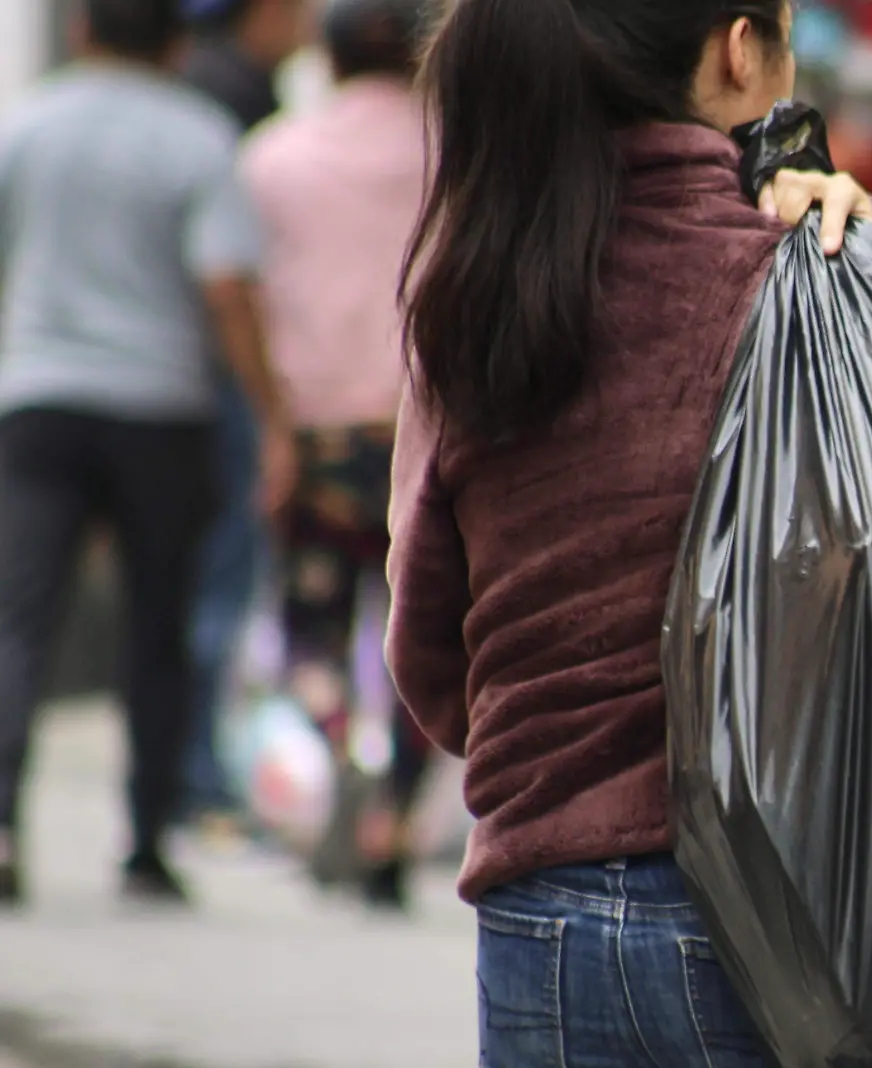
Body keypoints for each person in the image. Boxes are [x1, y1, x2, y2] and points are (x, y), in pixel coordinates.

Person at [387, 0, 872, 1063]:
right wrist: (862, 232)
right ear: (739, 53)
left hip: (536, 903)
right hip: (787, 916)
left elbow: (428, 644)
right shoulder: (821, 265)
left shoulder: (470, 288)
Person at [0, 0, 296, 906]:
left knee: (19, 619)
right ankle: (147, 842)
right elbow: (226, 287)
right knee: (157, 623)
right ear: (174, 42)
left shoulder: (24, 124)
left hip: (39, 398)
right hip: (161, 408)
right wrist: (270, 412)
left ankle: (3, 825)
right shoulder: (200, 138)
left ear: (84, 32)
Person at [239, 0, 433, 909]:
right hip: (425, 435)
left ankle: (334, 738)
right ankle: (390, 810)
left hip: (313, 434)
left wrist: (268, 425)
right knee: (425, 635)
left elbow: (240, 289)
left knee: (312, 627)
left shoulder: (273, 156)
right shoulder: (458, 151)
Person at [177, 0, 308, 828]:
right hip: (222, 376)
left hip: (185, 377)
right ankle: (201, 776)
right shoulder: (232, 108)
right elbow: (230, 279)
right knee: (223, 580)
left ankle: (193, 774)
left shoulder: (215, 88)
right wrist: (268, 410)